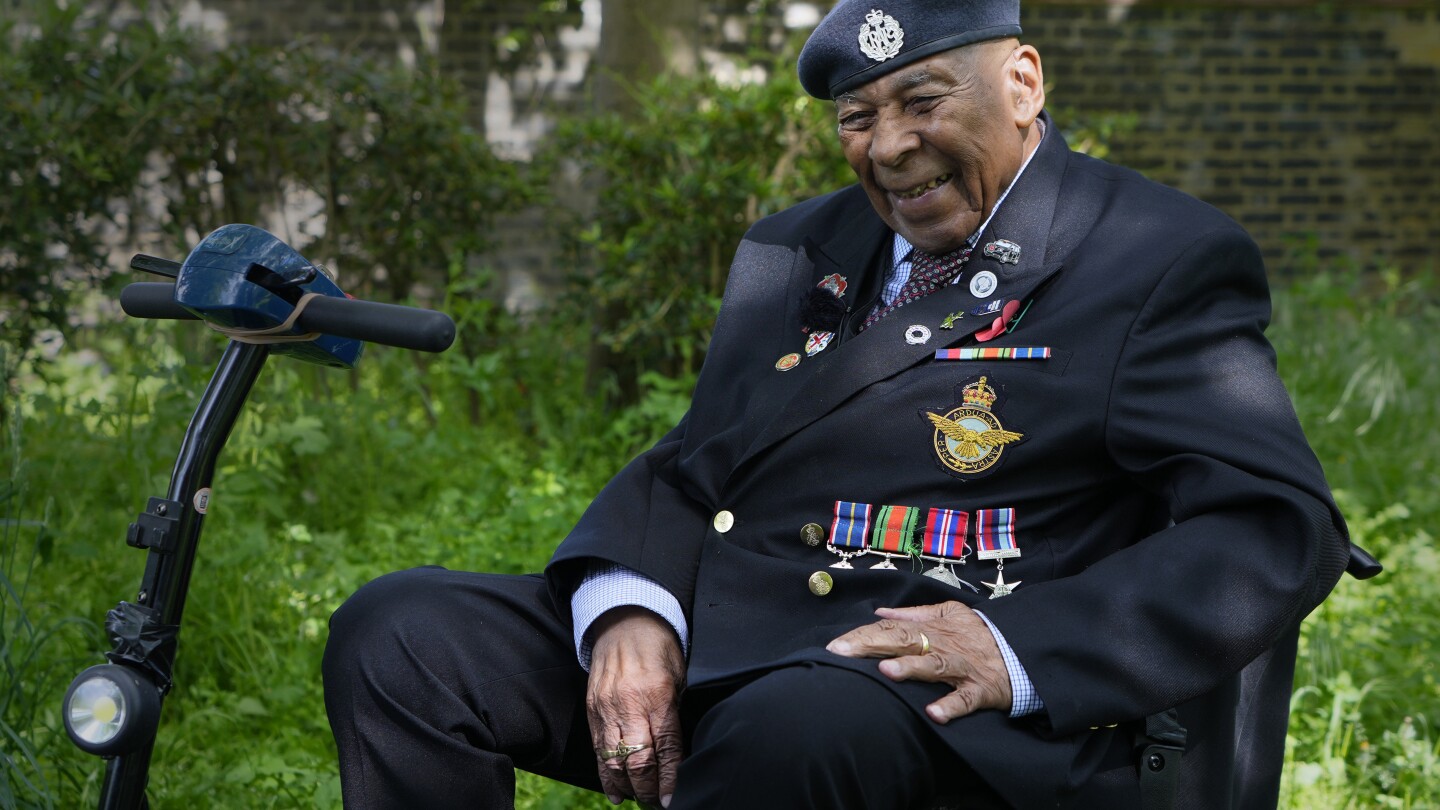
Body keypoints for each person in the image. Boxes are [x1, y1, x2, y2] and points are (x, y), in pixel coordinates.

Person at [322, 1, 1352, 807]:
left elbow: (1273, 527)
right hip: (738, 635)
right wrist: (633, 607)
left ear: (1024, 83)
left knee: (791, 729)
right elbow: (703, 460)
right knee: (403, 633)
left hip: (942, 699)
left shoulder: (1151, 255)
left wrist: (1018, 647)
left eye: (924, 101)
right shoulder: (796, 250)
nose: (891, 146)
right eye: (858, 118)